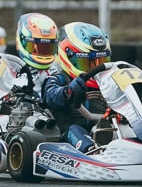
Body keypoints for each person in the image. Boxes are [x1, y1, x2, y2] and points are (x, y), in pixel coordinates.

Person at [42, 21, 111, 153]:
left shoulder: (108, 80)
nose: (95, 69)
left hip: (105, 128)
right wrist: (68, 91)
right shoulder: (58, 78)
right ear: (68, 56)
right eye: (87, 63)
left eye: (100, 62)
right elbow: (51, 96)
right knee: (75, 129)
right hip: (69, 133)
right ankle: (93, 152)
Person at [14, 12, 58, 95]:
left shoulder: (56, 72)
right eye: (34, 47)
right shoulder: (10, 68)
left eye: (46, 47)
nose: (41, 53)